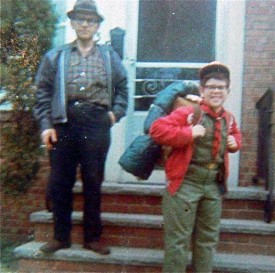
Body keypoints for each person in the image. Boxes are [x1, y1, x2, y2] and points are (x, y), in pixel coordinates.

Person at [34, 0, 128, 254]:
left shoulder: (110, 57)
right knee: (60, 182)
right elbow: (42, 93)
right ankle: (60, 236)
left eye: (90, 20)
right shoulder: (56, 56)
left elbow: (122, 90)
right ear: (73, 23)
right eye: (80, 19)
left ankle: (92, 238)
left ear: (97, 26)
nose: (85, 24)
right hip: (64, 123)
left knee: (93, 181)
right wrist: (46, 125)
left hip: (97, 123)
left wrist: (113, 115)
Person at [150, 62, 242, 273]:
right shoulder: (190, 111)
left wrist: (236, 143)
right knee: (178, 242)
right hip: (185, 185)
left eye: (221, 87)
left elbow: (236, 134)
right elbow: (157, 130)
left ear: (228, 91)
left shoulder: (229, 118)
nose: (216, 91)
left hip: (212, 186)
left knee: (207, 241)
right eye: (211, 87)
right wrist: (188, 134)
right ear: (202, 90)